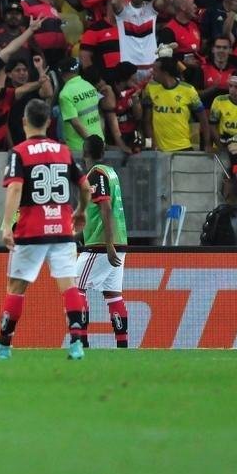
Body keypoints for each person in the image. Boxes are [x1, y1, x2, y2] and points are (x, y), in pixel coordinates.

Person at [0, 99, 91, 362]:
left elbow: (16, 188)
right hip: (63, 229)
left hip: (31, 230)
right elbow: (85, 187)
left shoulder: (20, 152)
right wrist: (81, 211)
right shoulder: (64, 151)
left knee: (16, 287)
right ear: (49, 122)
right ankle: (76, 343)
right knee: (69, 286)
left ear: (24, 122)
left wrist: (7, 224)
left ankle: (4, 345)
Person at [75, 135, 129, 349]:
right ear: (103, 152)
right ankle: (122, 346)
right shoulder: (111, 172)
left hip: (101, 246)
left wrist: (108, 245)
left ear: (84, 153)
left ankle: (82, 341)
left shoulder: (96, 174)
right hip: (119, 242)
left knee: (75, 287)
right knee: (113, 294)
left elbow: (105, 208)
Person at [142, 57, 209, 153]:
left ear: (165, 73)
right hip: (159, 151)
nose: (152, 73)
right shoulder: (150, 87)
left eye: (155, 70)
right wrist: (151, 144)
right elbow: (147, 121)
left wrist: (207, 145)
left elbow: (203, 120)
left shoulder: (188, 90)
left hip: (183, 148)